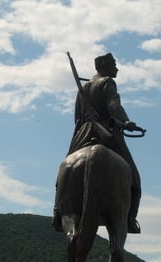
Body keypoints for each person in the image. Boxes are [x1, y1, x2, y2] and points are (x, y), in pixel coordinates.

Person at [52, 52, 141, 234]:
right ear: (105, 67)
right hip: (107, 134)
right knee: (135, 179)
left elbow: (77, 118)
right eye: (113, 65)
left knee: (63, 174)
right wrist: (126, 121)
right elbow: (114, 106)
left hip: (83, 134)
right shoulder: (108, 82)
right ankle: (130, 219)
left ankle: (57, 212)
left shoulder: (84, 89)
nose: (116, 68)